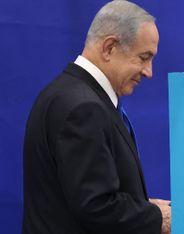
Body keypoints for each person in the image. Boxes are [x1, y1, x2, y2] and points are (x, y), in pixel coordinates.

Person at [22, 1, 171, 233]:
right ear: (109, 47)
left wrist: (143, 207)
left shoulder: (64, 93)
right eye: (143, 57)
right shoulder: (83, 109)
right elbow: (96, 207)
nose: (149, 72)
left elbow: (78, 196)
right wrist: (156, 218)